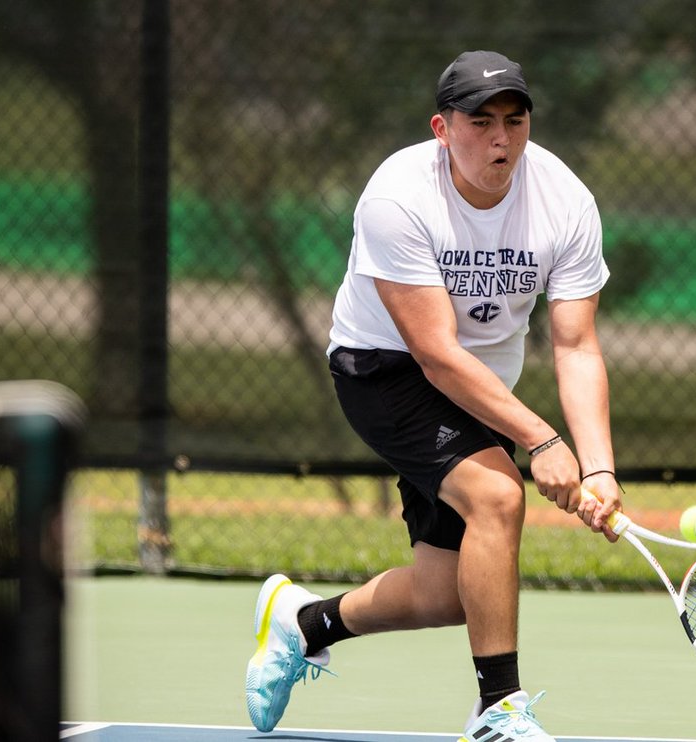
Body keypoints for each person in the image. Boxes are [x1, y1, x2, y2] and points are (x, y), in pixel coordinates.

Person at [245, 50, 622, 742]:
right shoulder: (398, 196)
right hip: (384, 370)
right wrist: (541, 440)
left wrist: (598, 466)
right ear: (442, 129)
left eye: (515, 119)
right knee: (499, 497)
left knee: (450, 595)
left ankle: (305, 624)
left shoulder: (566, 203)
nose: (501, 139)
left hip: (479, 393)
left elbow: (575, 346)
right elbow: (436, 355)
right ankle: (497, 710)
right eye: (481, 122)